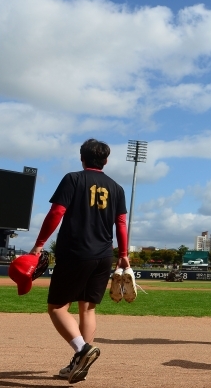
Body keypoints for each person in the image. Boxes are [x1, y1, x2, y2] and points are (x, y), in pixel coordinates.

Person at [29, 138, 129, 384]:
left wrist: (39, 244)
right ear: (106, 161)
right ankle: (79, 364)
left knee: (57, 307)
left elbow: (57, 212)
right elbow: (121, 223)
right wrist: (124, 254)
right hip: (104, 256)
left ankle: (81, 350)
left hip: (75, 253)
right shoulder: (117, 187)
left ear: (81, 158)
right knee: (88, 308)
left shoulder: (73, 179)